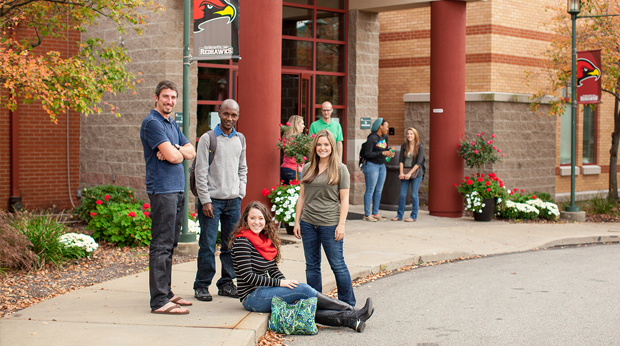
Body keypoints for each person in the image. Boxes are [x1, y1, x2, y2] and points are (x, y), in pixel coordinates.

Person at [231, 201, 374, 332]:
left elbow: (273, 269)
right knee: (304, 289)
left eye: (260, 218)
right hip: (252, 297)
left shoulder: (263, 240)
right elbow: (247, 277)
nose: (257, 222)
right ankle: (353, 311)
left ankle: (350, 321)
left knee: (302, 304)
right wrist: (281, 284)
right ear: (245, 220)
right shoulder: (242, 242)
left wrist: (287, 287)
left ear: (265, 220)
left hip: (265, 290)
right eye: (252, 218)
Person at [140, 80, 196, 314]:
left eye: (173, 97)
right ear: (156, 98)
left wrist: (174, 149)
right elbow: (174, 157)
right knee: (161, 245)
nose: (170, 101)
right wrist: (174, 152)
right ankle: (159, 301)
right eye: (166, 97)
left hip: (176, 190)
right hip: (162, 191)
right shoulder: (152, 123)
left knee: (170, 243)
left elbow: (189, 152)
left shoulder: (171, 123)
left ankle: (167, 291)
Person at [292, 130, 355, 306]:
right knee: (312, 266)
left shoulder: (340, 169)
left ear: (332, 147)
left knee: (338, 265)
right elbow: (302, 197)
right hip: (308, 223)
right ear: (315, 147)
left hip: (330, 224)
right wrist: (297, 221)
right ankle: (315, 305)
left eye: (326, 144)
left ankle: (348, 305)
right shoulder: (307, 167)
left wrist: (341, 224)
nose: (322, 148)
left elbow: (344, 199)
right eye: (319, 144)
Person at [193, 99, 247, 302]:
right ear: (219, 113)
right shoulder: (208, 138)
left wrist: (240, 192)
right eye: (226, 114)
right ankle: (202, 285)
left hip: (233, 201)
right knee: (207, 245)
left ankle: (226, 284)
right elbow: (200, 171)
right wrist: (205, 200)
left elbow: (243, 168)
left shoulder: (240, 139)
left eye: (234, 115)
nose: (229, 118)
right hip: (212, 202)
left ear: (237, 116)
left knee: (230, 245)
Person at [362, 118, 394, 222]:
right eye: (386, 126)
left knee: (379, 191)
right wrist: (382, 153)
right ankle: (367, 214)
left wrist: (389, 153)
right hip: (371, 166)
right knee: (370, 190)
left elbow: (384, 150)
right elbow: (367, 154)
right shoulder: (372, 138)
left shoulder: (385, 137)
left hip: (382, 166)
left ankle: (375, 213)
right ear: (380, 126)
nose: (387, 129)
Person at [392, 127, 425, 222]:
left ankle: (413, 216)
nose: (409, 135)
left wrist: (410, 174)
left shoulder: (419, 147)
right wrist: (401, 173)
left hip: (416, 174)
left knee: (414, 195)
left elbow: (418, 163)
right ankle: (399, 215)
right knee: (402, 195)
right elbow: (401, 160)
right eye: (408, 134)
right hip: (405, 172)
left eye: (411, 134)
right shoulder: (404, 146)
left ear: (415, 135)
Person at [280, 115, 305, 185]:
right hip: (295, 169)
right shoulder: (298, 139)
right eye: (302, 124)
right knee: (297, 192)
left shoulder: (286, 137)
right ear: (297, 125)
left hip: (284, 168)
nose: (304, 126)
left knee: (287, 193)